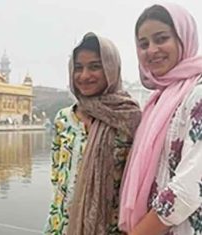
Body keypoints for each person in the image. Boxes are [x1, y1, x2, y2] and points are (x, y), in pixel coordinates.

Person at [44, 32, 141, 235]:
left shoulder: (128, 119)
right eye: (78, 68)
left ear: (111, 69)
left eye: (95, 66)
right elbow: (57, 177)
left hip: (109, 228)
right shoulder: (64, 119)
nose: (84, 75)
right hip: (61, 225)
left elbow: (137, 184)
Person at [119, 3, 202, 235]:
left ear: (183, 39)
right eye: (143, 44)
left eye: (161, 38)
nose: (152, 50)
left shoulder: (197, 92)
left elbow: (188, 189)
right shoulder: (158, 99)